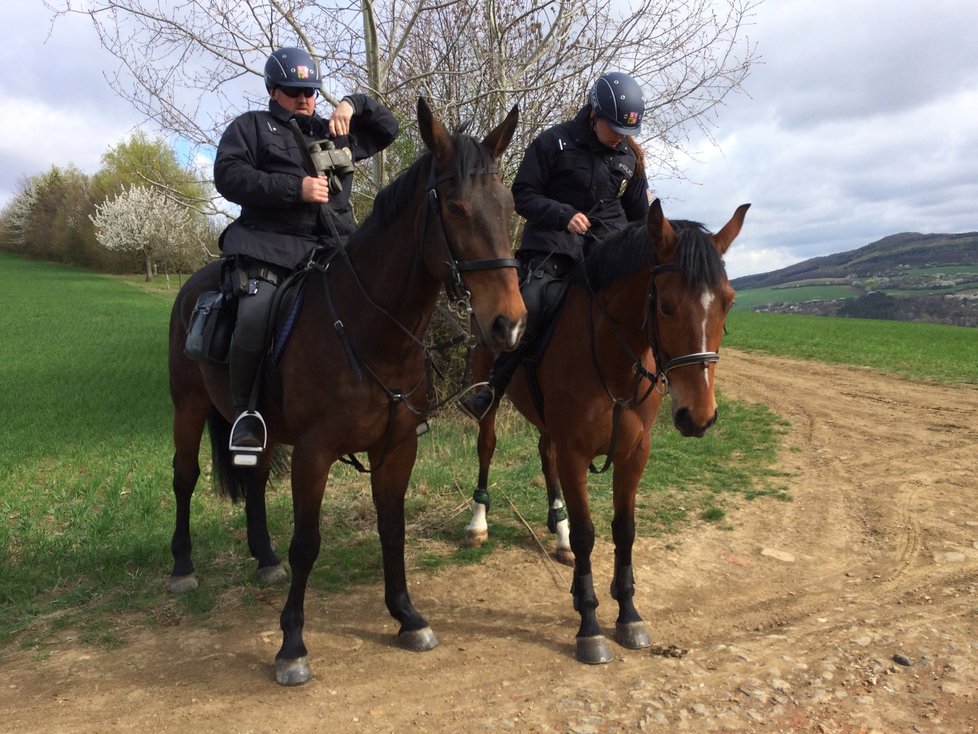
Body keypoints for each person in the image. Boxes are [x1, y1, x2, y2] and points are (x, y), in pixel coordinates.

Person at [214, 46, 399, 465]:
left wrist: (353, 104)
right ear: (273, 90)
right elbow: (228, 175)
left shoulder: (333, 130)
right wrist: (293, 190)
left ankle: (391, 403)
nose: (305, 100)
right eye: (295, 92)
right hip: (271, 247)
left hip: (335, 249)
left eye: (312, 92)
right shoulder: (251, 128)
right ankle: (246, 414)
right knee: (254, 316)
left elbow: (390, 128)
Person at [458, 71, 650, 421]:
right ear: (595, 115)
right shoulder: (553, 142)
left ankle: (658, 380)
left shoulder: (630, 159)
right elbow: (522, 195)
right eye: (615, 130)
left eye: (627, 133)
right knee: (530, 304)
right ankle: (493, 389)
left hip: (605, 253)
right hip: (552, 250)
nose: (620, 139)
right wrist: (563, 214)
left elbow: (639, 216)